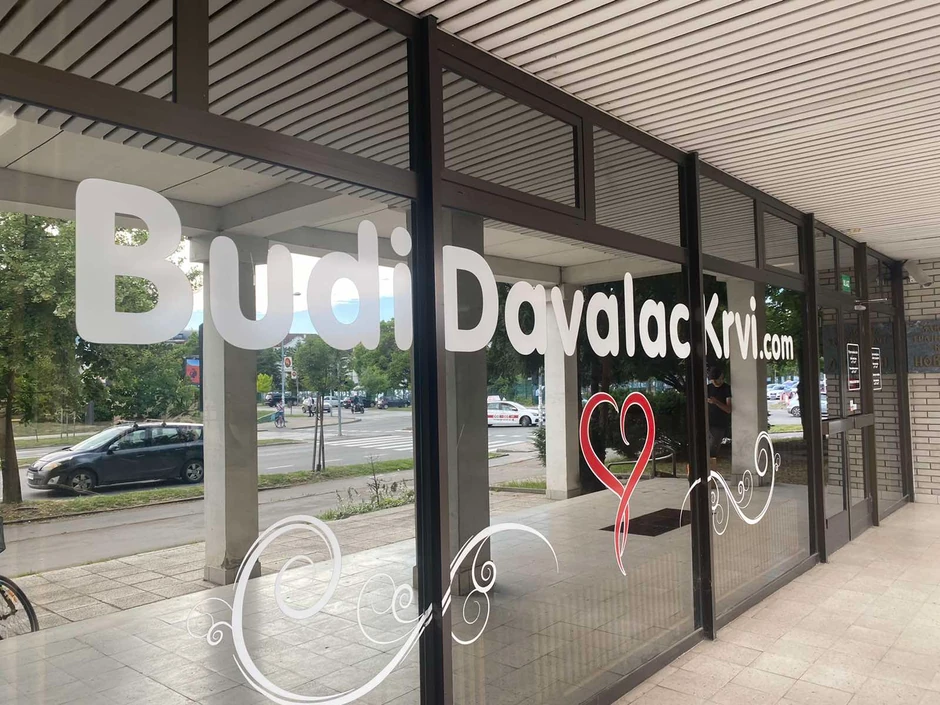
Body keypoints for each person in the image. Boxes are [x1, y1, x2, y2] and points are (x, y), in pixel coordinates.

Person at [706, 366, 732, 471]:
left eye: (716, 380)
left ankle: (710, 470)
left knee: (713, 448)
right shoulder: (708, 388)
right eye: (712, 381)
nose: (715, 383)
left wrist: (716, 402)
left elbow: (728, 409)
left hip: (719, 424)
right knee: (704, 447)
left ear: (721, 377)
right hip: (707, 422)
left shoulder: (726, 388)